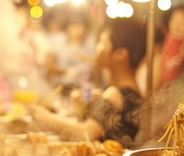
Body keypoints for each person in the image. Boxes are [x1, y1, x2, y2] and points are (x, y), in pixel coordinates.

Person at [27, 18, 146, 147]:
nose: (96, 48)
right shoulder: (132, 91)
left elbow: (85, 134)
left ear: (120, 54)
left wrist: (44, 117)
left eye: (102, 42)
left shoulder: (115, 93)